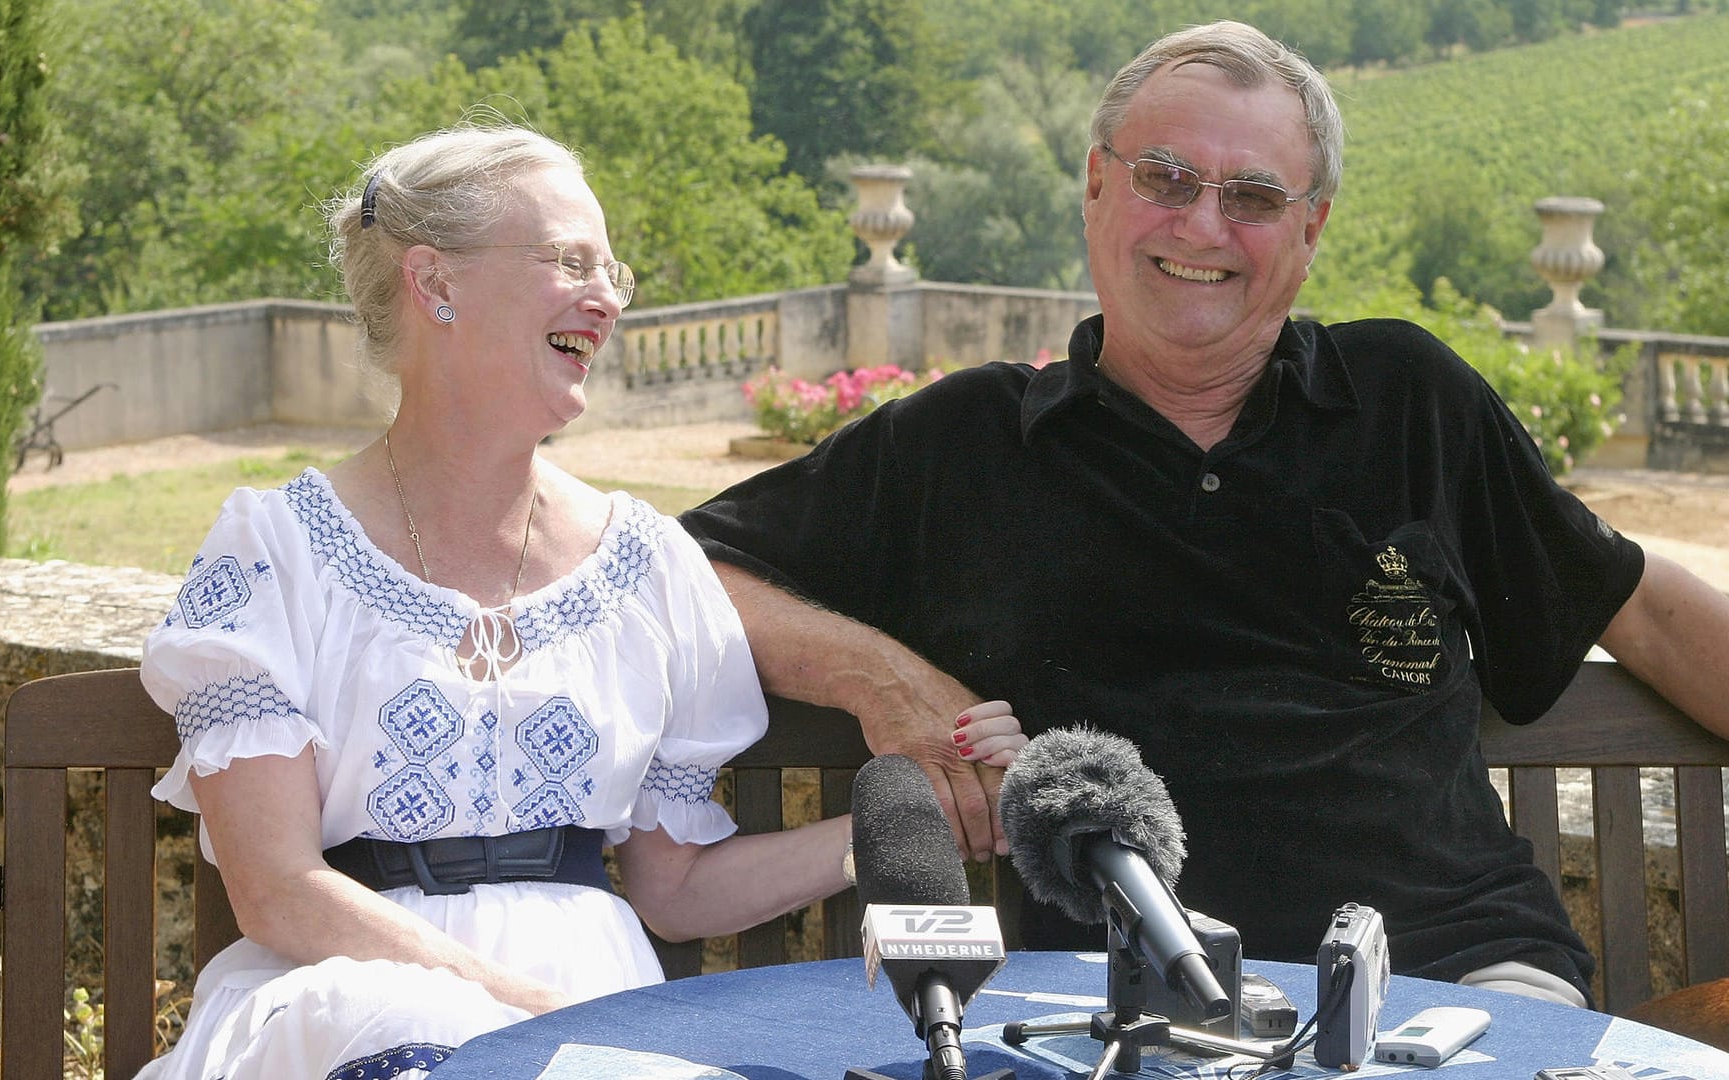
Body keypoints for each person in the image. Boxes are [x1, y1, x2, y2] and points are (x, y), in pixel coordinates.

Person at [679, 20, 1729, 1009]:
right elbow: (671, 576)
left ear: (1310, 230)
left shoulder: (1410, 400)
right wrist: (885, 681)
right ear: (1096, 186)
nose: (1203, 225)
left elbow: (1639, 607)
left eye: (1256, 197)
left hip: (1454, 981)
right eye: (1165, 178)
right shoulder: (962, 445)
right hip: (1115, 1013)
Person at [132, 121, 1025, 1079]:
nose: (605, 301)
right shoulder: (275, 552)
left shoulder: (643, 565)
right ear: (435, 283)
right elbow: (278, 891)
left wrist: (906, 822)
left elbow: (673, 891)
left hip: (596, 1004)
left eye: (615, 274)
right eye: (570, 262)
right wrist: (526, 1012)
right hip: (341, 994)